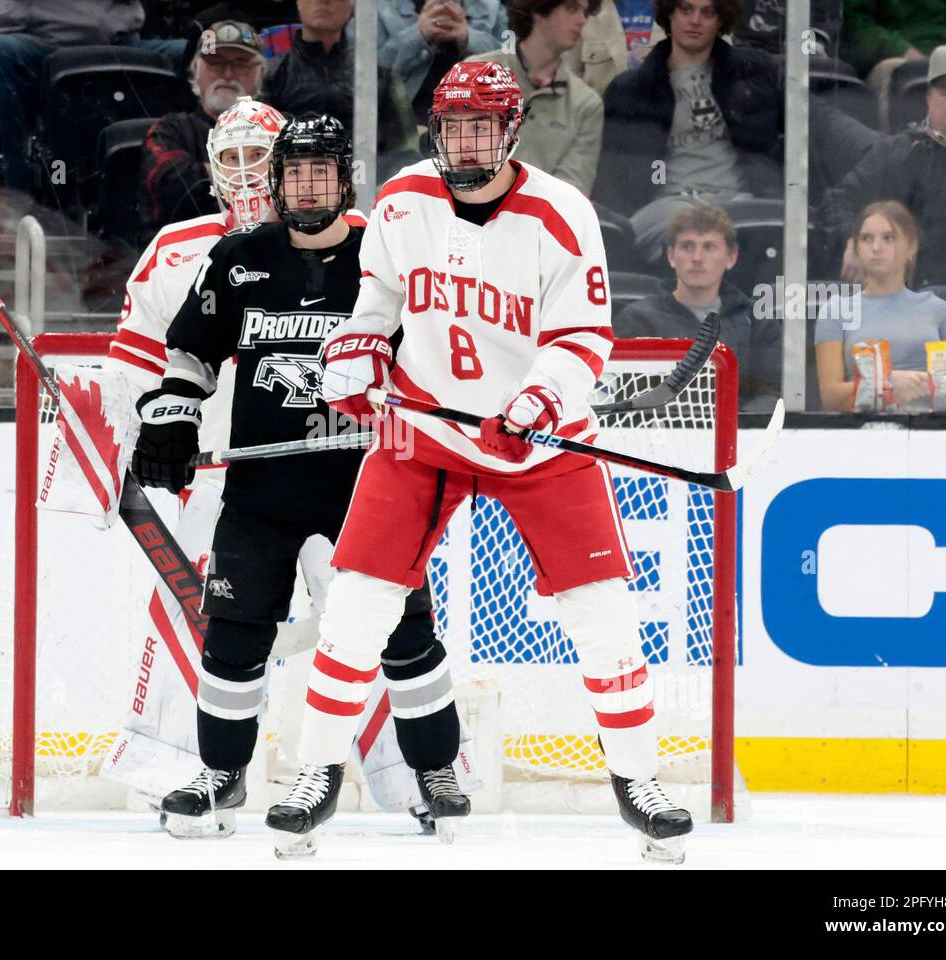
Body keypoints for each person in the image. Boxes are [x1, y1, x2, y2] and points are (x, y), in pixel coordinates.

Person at [264, 61, 693, 862]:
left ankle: (639, 780)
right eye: (453, 128)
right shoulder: (400, 201)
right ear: (436, 130)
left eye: (482, 128)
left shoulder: (562, 215)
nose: (466, 143)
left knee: (602, 616)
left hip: (538, 443)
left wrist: (535, 403)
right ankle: (316, 773)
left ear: (511, 131)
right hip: (426, 433)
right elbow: (380, 299)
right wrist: (358, 353)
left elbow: (582, 339)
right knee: (357, 603)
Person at [130, 114, 469, 840]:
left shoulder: (386, 257)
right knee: (233, 634)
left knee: (403, 635)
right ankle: (222, 776)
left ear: (344, 180)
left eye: (322, 172)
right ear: (278, 183)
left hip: (368, 488)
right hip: (261, 493)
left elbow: (433, 352)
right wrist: (171, 418)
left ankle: (430, 771)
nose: (307, 185)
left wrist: (440, 410)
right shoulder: (237, 257)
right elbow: (191, 355)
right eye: (295, 173)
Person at [818, 44, 946, 336]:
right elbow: (837, 202)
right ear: (929, 99)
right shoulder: (901, 152)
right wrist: (854, 240)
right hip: (925, 306)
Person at [595, 0, 784, 261]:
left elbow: (798, 137)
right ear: (670, 13)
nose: (695, 20)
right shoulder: (631, 90)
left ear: (720, 20)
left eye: (707, 12)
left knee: (767, 230)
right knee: (691, 236)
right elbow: (612, 179)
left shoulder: (753, 74)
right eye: (686, 9)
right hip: (665, 207)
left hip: (738, 204)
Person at [614, 206, 781, 411]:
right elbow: (624, 398)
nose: (697, 258)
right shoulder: (638, 320)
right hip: (659, 438)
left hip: (737, 439)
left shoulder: (756, 321)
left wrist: (733, 427)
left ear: (732, 257)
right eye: (687, 247)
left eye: (709, 247)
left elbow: (771, 393)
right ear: (671, 256)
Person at [0, 0, 147, 194]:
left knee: (181, 54)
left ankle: (151, 190)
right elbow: (0, 21)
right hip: (39, 44)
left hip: (118, 43)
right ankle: (20, 190)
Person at [814, 200, 946, 412]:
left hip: (931, 435)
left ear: (912, 247)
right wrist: (887, 385)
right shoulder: (835, 310)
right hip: (862, 434)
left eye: (888, 238)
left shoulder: (938, 309)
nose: (876, 248)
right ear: (856, 248)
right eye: (866, 239)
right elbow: (830, 398)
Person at [138, 20, 269, 252]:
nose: (228, 74)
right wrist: (259, 173)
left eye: (241, 65)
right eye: (215, 63)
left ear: (261, 74)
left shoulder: (280, 125)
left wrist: (212, 174)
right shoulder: (170, 129)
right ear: (195, 70)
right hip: (185, 260)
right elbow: (172, 183)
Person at [263, 0, 422, 181]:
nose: (324, 1)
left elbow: (404, 155)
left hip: (367, 193)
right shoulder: (271, 76)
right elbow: (259, 152)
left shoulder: (380, 77)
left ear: (353, 6)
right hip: (293, 193)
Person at [467, 0, 605, 195]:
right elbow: (454, 158)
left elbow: (572, 189)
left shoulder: (586, 103)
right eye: (572, 8)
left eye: (585, 12)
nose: (582, 20)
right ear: (539, 10)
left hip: (541, 219)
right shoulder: (476, 73)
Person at [377, 1, 510, 120]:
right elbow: (366, 77)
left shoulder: (494, 10)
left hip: (475, 124)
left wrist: (468, 37)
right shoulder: (380, 9)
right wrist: (418, 34)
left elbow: (512, 69)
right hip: (402, 128)